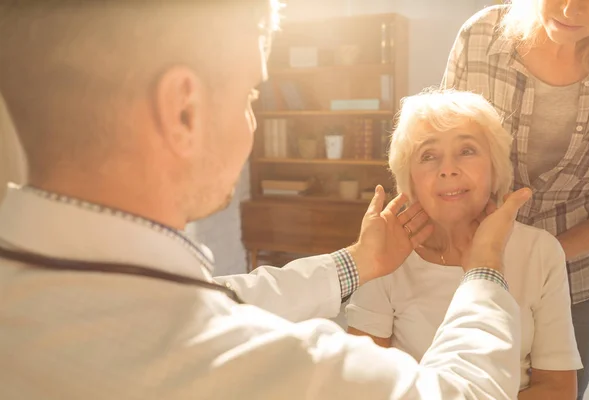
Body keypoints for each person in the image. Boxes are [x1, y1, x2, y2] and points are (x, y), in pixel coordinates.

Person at [0, 1, 528, 398]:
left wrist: (356, 263)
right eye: (251, 95)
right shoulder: (233, 366)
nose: (252, 120)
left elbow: (227, 295)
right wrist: (484, 271)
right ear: (184, 111)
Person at [346, 89, 582, 398]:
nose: (448, 169)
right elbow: (363, 387)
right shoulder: (386, 257)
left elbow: (558, 389)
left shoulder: (541, 251)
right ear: (410, 179)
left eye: (467, 150)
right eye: (428, 156)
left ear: (495, 168)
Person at [441, 1, 589, 398]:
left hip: (574, 275)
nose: (569, 8)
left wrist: (541, 256)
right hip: (468, 262)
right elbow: (442, 148)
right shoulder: (480, 34)